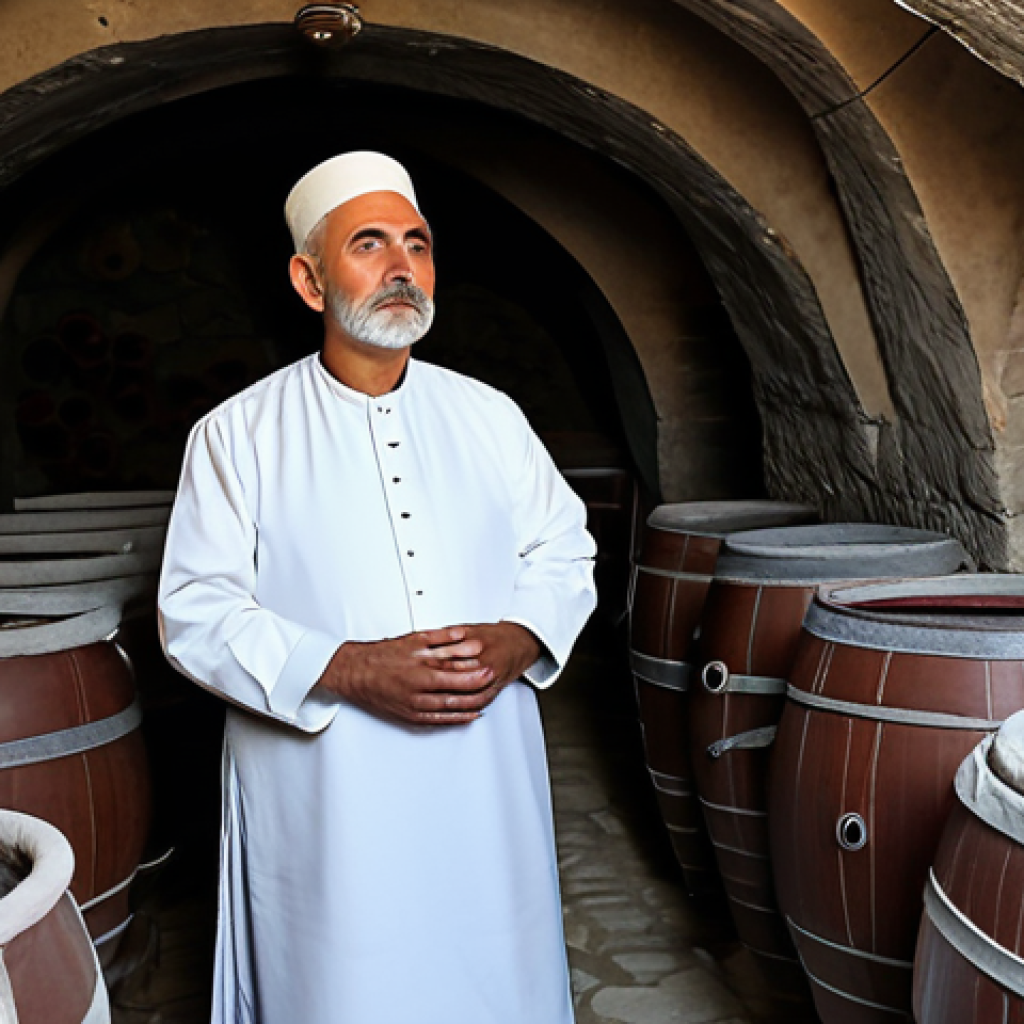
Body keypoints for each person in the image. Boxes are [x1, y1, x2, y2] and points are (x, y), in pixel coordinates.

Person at [158, 151, 597, 1024]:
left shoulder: (489, 416)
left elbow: (565, 548)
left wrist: (519, 640)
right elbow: (195, 612)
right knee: (341, 987)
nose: (402, 268)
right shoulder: (236, 435)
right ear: (310, 280)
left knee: (496, 974)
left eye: (418, 245)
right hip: (327, 795)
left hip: (485, 774)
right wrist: (351, 669)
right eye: (370, 245)